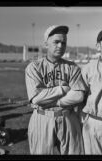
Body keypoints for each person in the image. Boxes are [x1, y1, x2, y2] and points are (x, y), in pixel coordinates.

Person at [25, 25, 87, 154]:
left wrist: (55, 101)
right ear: (46, 44)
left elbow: (79, 96)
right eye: (56, 42)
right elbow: (36, 98)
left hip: (68, 117)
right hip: (42, 118)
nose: (60, 46)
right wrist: (63, 89)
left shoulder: (72, 67)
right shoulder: (34, 67)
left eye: (63, 42)